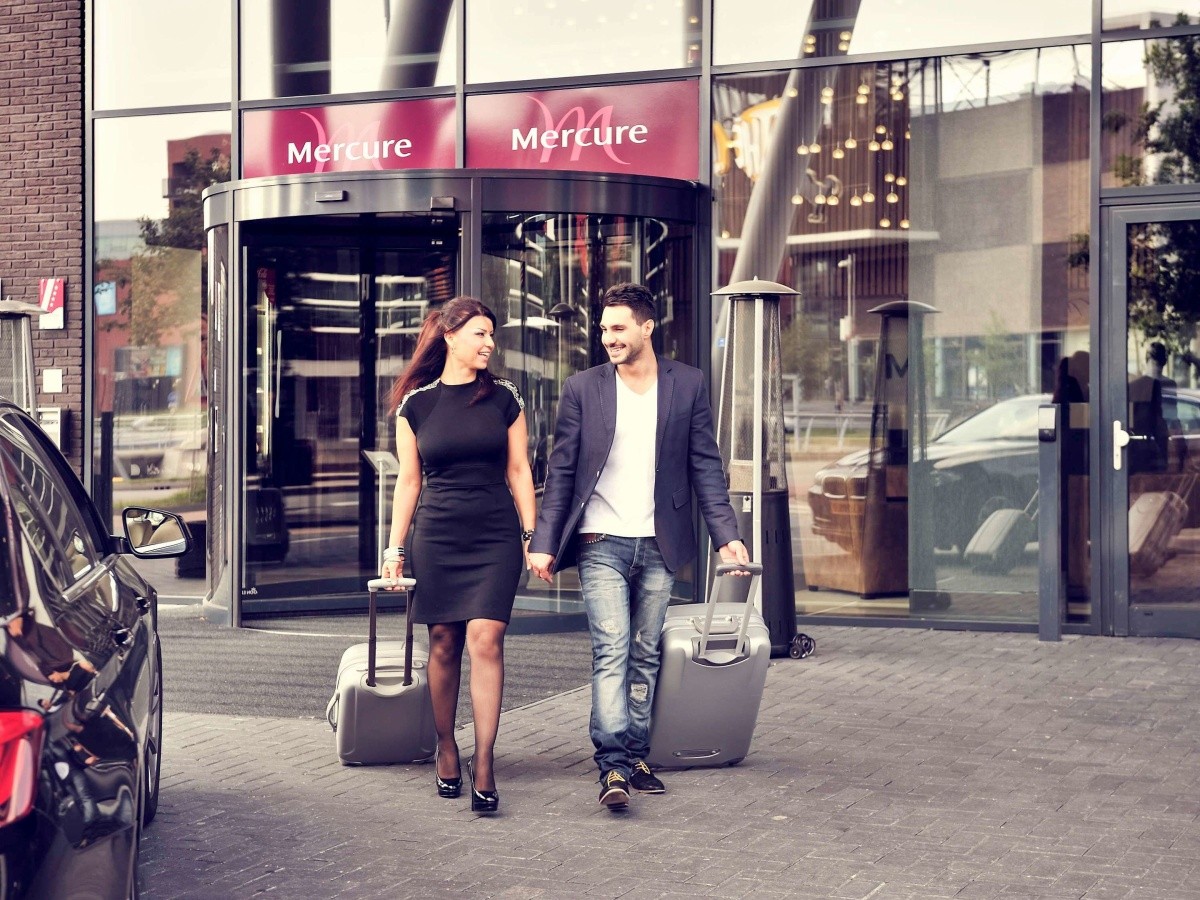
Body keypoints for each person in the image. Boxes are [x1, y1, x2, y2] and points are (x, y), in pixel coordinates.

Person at [527, 282, 750, 810]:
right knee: (612, 649)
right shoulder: (583, 388)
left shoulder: (687, 383)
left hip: (658, 541)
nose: (608, 338)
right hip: (600, 539)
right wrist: (544, 540)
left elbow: (705, 466)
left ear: (647, 327)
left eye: (618, 327)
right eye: (603, 329)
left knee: (646, 653)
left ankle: (636, 753)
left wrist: (728, 536)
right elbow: (562, 471)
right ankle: (612, 765)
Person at [380, 296, 537, 815]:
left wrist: (531, 533)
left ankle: (484, 761)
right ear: (449, 337)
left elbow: (519, 470)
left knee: (485, 638)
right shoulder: (415, 405)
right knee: (444, 643)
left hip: (494, 533)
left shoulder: (505, 397)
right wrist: (394, 548)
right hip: (438, 535)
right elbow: (409, 482)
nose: (489, 343)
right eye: (479, 334)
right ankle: (447, 746)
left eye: (492, 335)